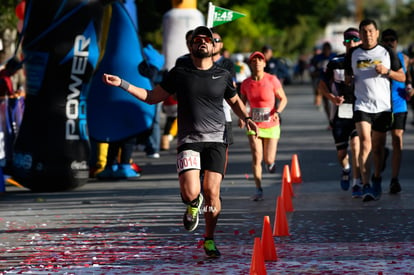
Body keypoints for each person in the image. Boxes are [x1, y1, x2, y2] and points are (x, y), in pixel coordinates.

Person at [102, 26, 259, 258]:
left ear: (214, 46)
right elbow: (151, 97)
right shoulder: (179, 73)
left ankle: (209, 239)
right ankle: (193, 204)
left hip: (217, 140)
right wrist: (122, 84)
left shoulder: (223, 75)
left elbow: (235, 101)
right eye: (198, 40)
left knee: (212, 193)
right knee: (190, 192)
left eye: (208, 39)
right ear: (191, 46)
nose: (203, 42)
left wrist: (247, 118)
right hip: (189, 140)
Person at [345, 19, 406, 202]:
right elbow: (348, 77)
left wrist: (387, 71)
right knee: (365, 143)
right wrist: (347, 82)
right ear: (360, 34)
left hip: (383, 108)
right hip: (362, 105)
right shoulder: (353, 54)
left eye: (371, 31)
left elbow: (402, 77)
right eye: (364, 32)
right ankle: (365, 185)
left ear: (376, 33)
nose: (368, 34)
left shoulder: (387, 52)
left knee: (378, 147)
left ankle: (377, 177)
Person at [318, 28, 362, 197]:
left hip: (360, 109)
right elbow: (321, 84)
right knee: (342, 153)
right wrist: (332, 98)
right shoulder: (335, 62)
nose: (352, 43)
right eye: (348, 40)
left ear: (361, 42)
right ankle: (346, 169)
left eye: (355, 40)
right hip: (340, 112)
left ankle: (357, 183)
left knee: (357, 147)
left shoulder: (365, 61)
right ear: (344, 43)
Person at [240, 51, 288, 201]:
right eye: (254, 61)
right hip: (254, 125)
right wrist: (243, 118)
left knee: (268, 159)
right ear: (250, 64)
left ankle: (271, 163)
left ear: (264, 63)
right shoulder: (246, 83)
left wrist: (277, 112)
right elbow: (242, 103)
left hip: (272, 124)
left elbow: (283, 98)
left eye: (260, 60)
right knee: (256, 156)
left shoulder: (272, 80)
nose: (257, 63)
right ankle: (259, 189)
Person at [381, 28, 412, 194]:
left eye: (392, 40)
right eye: (385, 39)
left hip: (399, 104)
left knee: (397, 140)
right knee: (376, 143)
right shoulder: (377, 58)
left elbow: (409, 79)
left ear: (397, 42)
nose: (389, 42)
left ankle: (394, 179)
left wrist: (410, 89)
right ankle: (382, 155)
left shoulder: (404, 58)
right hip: (380, 106)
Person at [309, 42, 337, 127]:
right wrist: (313, 72)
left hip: (333, 81)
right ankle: (330, 121)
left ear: (330, 49)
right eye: (324, 49)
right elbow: (311, 67)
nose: (326, 51)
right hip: (322, 80)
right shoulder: (317, 58)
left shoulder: (335, 56)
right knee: (326, 101)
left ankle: (335, 119)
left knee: (334, 101)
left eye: (328, 49)